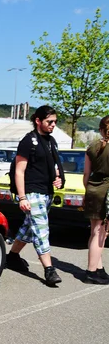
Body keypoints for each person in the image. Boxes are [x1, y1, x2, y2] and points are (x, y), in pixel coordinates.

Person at [6, 105, 65, 286]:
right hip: (32, 192)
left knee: (29, 228)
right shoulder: (28, 141)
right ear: (38, 121)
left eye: (55, 122)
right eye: (49, 121)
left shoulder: (50, 141)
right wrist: (22, 197)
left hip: (46, 192)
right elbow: (19, 171)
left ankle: (13, 256)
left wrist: (58, 178)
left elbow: (53, 166)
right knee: (41, 231)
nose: (53, 125)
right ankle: (49, 269)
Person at [82, 116, 109, 284]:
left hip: (93, 189)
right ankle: (91, 271)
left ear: (100, 129)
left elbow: (86, 174)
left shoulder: (92, 146)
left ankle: (98, 268)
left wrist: (86, 191)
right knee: (101, 234)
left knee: (95, 231)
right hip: (106, 192)